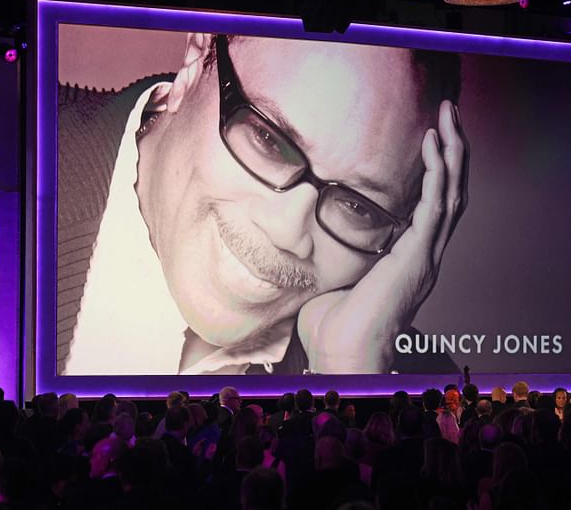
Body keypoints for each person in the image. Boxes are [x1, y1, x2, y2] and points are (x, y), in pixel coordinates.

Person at [58, 31, 469, 375]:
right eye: (269, 140)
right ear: (195, 62)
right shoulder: (9, 162)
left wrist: (345, 381)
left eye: (357, 205)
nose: (288, 231)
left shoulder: (409, 387)